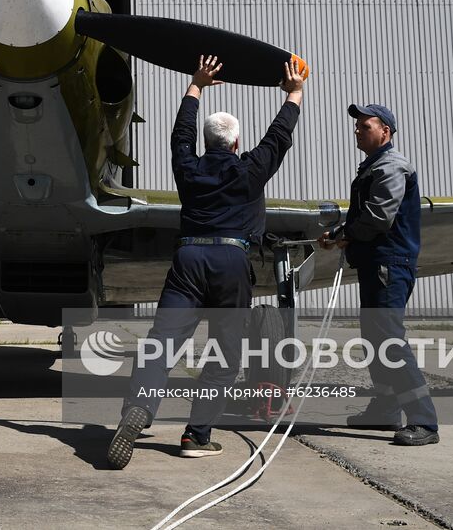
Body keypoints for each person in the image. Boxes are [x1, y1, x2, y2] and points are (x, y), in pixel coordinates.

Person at [107, 55, 306, 469]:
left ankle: (136, 413)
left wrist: (195, 86)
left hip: (189, 258)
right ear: (235, 144)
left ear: (207, 143)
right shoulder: (250, 169)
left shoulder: (189, 167)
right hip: (232, 262)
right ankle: (196, 435)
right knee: (225, 355)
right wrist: (294, 94)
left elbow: (180, 137)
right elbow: (278, 138)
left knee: (160, 347)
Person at [320, 103, 439, 446]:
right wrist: (340, 233)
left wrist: (343, 235)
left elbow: (378, 217)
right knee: (376, 340)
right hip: (377, 264)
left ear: (385, 131)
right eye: (356, 126)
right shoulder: (374, 166)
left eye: (365, 126)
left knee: (389, 340)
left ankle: (424, 422)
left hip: (390, 264)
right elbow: (369, 216)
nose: (357, 130)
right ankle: (386, 410)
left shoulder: (391, 167)